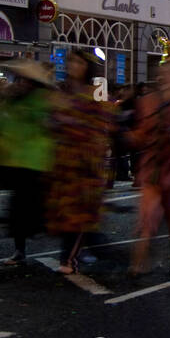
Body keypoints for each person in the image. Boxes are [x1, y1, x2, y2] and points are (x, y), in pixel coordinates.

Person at [47, 49, 113, 273]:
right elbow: (51, 121)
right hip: (65, 161)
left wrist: (70, 120)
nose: (72, 66)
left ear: (86, 66)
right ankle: (77, 253)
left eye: (77, 62)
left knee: (81, 212)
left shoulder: (93, 93)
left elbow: (99, 125)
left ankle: (69, 258)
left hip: (85, 162)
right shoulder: (62, 90)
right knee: (66, 211)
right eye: (70, 62)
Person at [0, 61, 55, 264]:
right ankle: (20, 248)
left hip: (36, 161)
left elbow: (45, 123)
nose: (21, 83)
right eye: (19, 79)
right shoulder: (14, 101)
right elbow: (3, 124)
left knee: (31, 205)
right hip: (18, 161)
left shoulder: (40, 99)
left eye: (25, 79)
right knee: (19, 207)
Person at [130, 59, 170, 276]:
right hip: (153, 166)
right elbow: (140, 133)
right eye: (162, 73)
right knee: (147, 218)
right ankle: (138, 262)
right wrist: (131, 136)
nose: (165, 77)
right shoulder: (147, 102)